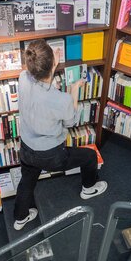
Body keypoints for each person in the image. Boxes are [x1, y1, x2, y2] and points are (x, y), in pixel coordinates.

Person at [13, 40, 107, 230]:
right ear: (53, 65)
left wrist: (51, 63)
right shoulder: (60, 100)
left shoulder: (23, 77)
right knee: (89, 156)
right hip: (51, 155)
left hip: (26, 148)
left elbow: (39, 81)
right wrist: (73, 91)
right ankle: (88, 188)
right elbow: (70, 122)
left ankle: (20, 218)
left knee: (27, 181)